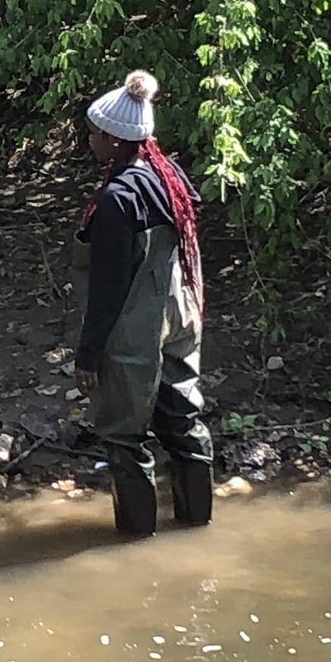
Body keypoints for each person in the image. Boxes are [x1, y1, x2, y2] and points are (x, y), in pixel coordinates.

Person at [73, 70, 213, 535]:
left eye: (96, 133)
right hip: (182, 310)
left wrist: (88, 355)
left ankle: (137, 538)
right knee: (182, 419)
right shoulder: (167, 174)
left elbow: (108, 287)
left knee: (123, 435)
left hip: (136, 325)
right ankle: (197, 524)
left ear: (116, 140)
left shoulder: (118, 198)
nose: (90, 140)